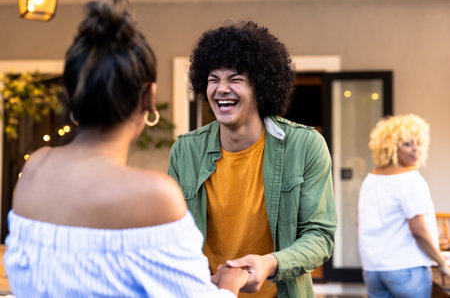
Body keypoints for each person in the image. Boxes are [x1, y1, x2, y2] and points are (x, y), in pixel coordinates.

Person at [3, 0, 249, 297]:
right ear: (149, 96)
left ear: (68, 95)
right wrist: (229, 283)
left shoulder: (34, 170)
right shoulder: (155, 197)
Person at [168, 21, 337, 298]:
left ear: (261, 87)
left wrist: (270, 263)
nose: (221, 89)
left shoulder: (305, 146)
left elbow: (320, 236)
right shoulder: (185, 151)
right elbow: (173, 235)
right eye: (213, 79)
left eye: (235, 79)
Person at [358, 114, 450, 298]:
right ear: (390, 146)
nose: (415, 149)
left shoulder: (370, 179)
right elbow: (419, 231)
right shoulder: (410, 179)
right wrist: (441, 262)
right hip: (406, 268)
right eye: (407, 144)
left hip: (373, 270)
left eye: (418, 143)